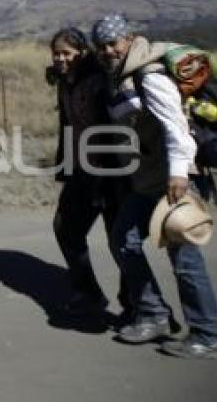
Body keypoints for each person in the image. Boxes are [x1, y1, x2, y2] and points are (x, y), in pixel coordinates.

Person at [93, 14, 217, 359]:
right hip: (147, 180)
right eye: (103, 46)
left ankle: (207, 334)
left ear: (129, 39)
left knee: (184, 258)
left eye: (114, 43)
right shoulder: (119, 75)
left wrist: (180, 174)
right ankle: (154, 314)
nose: (108, 50)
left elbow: (175, 127)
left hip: (174, 179)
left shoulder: (149, 75)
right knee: (123, 240)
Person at [47, 27, 130, 319]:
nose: (60, 59)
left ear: (81, 53)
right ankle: (88, 292)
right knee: (65, 228)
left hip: (111, 173)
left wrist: (108, 175)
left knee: (119, 240)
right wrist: (65, 167)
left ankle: (138, 305)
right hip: (81, 170)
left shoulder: (98, 80)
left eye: (66, 53)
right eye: (56, 53)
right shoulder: (64, 81)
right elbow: (67, 128)